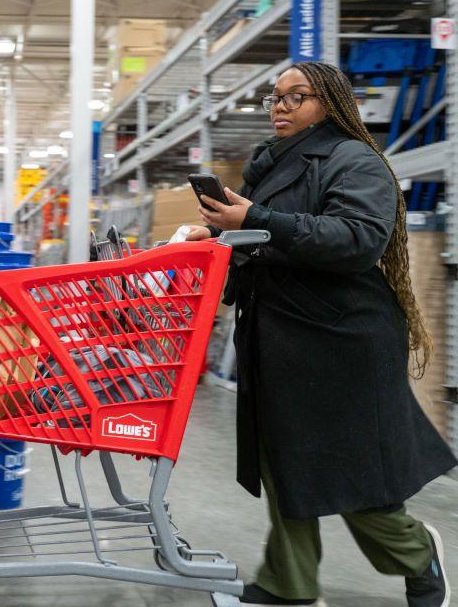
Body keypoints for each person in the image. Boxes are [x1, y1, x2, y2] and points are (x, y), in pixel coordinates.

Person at [183, 61, 456, 607]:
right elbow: (269, 226)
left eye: (296, 97)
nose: (280, 107)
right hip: (280, 334)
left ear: (329, 103)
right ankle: (289, 583)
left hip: (340, 341)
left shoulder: (355, 161)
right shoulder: (270, 163)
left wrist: (252, 218)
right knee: (284, 463)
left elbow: (355, 240)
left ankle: (416, 553)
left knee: (354, 476)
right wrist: (212, 231)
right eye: (275, 98)